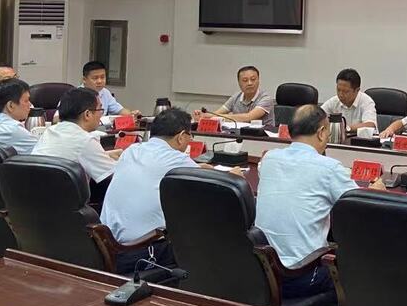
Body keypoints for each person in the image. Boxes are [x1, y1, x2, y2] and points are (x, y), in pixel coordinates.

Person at [255, 104, 384, 303]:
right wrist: (376, 191)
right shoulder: (329, 168)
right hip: (300, 276)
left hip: (262, 272)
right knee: (361, 270)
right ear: (322, 132)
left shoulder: (269, 159)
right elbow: (360, 208)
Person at [100, 108, 239, 275]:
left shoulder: (132, 151)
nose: (190, 140)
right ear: (181, 136)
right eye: (190, 136)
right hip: (138, 253)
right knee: (209, 230)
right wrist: (233, 175)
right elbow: (215, 185)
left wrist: (197, 167)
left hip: (105, 247)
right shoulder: (178, 159)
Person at [33, 87, 122, 184]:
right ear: (87, 114)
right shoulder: (85, 140)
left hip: (36, 190)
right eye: (100, 109)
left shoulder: (49, 131)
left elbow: (70, 157)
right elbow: (115, 174)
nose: (101, 114)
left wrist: (105, 155)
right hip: (65, 192)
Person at [194, 65, 275, 128]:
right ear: (239, 83)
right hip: (240, 136)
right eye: (245, 80)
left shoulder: (266, 98)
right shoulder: (236, 97)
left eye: (253, 79)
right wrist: (204, 116)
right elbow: (218, 113)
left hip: (264, 138)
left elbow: (248, 117)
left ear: (258, 80)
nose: (250, 83)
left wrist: (218, 118)